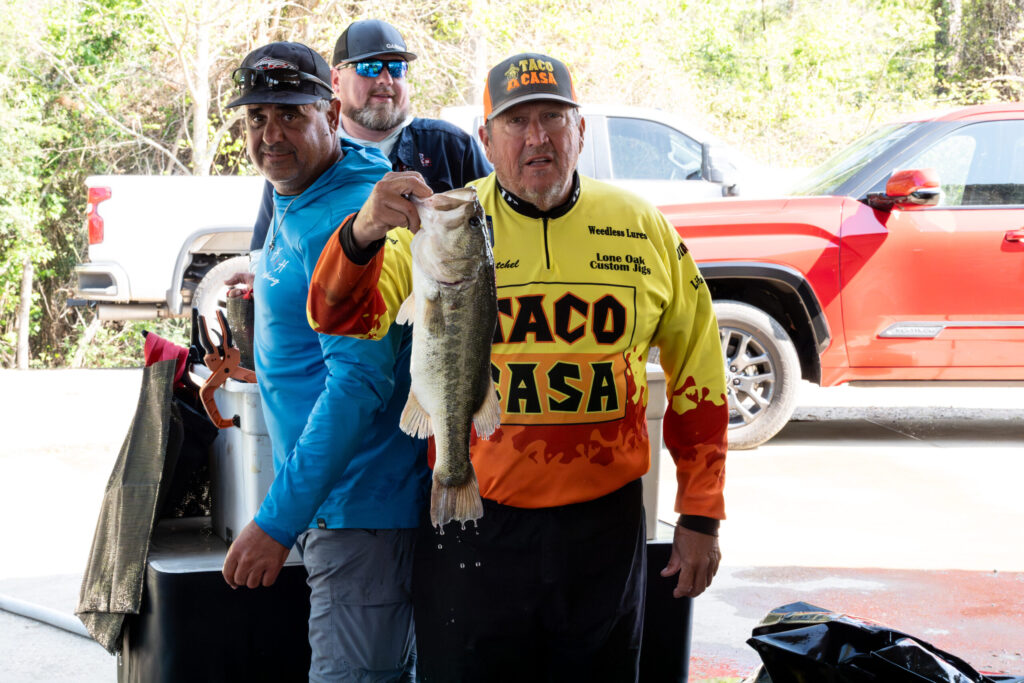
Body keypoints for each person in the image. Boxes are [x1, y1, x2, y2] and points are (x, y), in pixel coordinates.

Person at [306, 52, 728, 682]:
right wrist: (363, 232)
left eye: (553, 119)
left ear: (580, 130)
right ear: (485, 139)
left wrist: (700, 514)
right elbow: (336, 314)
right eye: (516, 121)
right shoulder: (442, 222)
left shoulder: (643, 227)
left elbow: (700, 372)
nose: (537, 138)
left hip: (604, 528)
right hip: (477, 520)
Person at [218, 40, 429, 682]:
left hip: (360, 507)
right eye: (257, 118)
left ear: (330, 115)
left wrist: (277, 519)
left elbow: (357, 385)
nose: (270, 135)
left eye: (290, 115)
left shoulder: (345, 214)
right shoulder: (308, 187)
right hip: (333, 502)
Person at [245, 19, 491, 259]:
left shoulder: (451, 146)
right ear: (336, 81)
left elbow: (497, 230)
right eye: (369, 67)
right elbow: (265, 253)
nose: (385, 79)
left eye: (397, 68)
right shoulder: (298, 156)